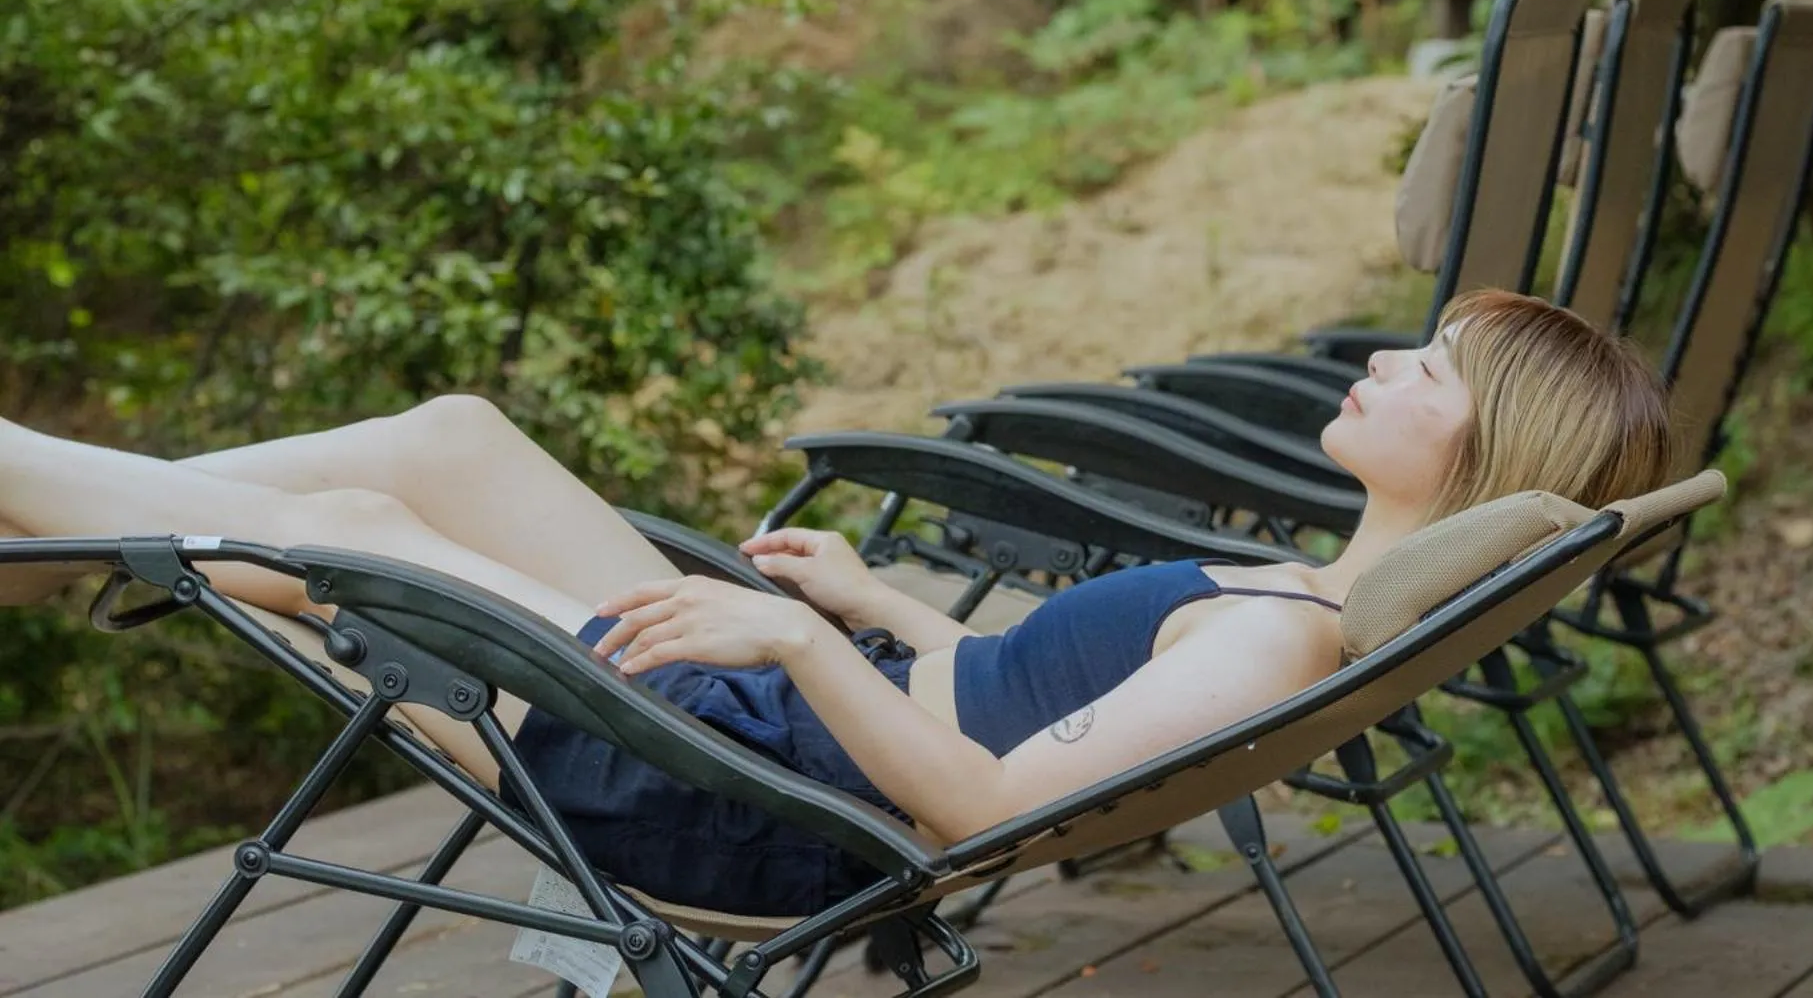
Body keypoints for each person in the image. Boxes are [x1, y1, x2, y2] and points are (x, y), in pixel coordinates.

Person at [0, 290, 1674, 915]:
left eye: (1432, 369)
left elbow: (993, 816)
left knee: (352, 520)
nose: (1386, 357)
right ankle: (91, 511)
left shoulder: (1279, 631)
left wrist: (802, 634)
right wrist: (892, 610)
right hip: (797, 727)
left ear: (1485, 449)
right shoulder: (1297, 605)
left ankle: (72, 502)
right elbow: (1038, 721)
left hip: (743, 797)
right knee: (453, 440)